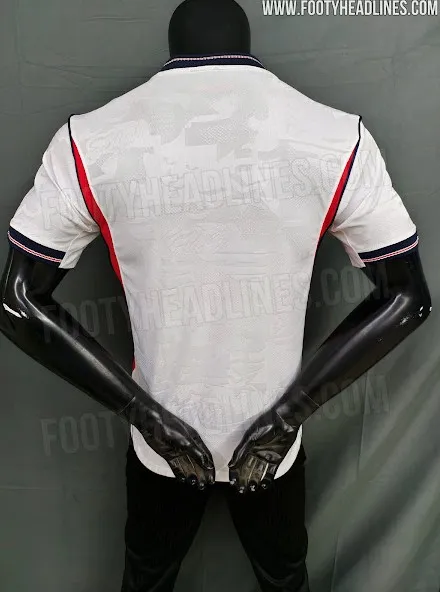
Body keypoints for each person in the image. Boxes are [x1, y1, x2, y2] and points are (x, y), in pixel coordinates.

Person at [0, 1, 432, 591]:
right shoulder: (338, 139)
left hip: (162, 443)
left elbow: (18, 302)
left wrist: (147, 417)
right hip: (271, 445)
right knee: (286, 579)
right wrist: (285, 418)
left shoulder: (89, 141)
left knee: (146, 580)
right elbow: (408, 298)